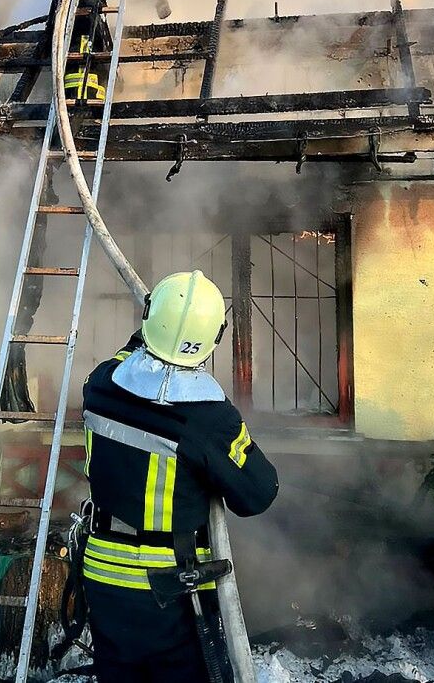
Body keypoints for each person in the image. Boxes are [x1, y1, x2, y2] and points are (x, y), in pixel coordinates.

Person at [80, 270, 279, 682]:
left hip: (102, 576)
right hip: (171, 589)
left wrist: (154, 328)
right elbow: (259, 493)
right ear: (212, 340)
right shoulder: (208, 418)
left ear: (149, 318)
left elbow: (128, 359)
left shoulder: (99, 385)